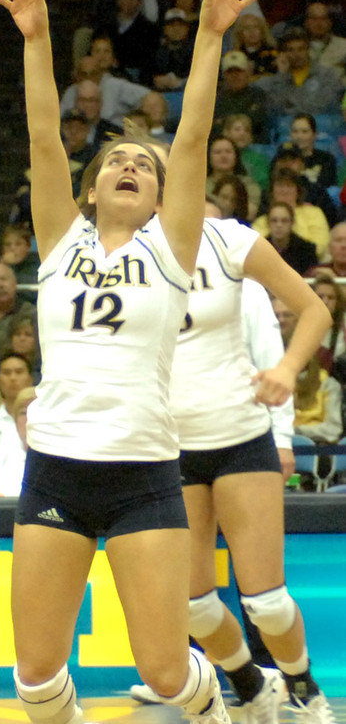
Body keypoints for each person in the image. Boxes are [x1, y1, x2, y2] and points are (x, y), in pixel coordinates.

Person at [0, 0, 259, 724]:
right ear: (92, 187)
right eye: (118, 160)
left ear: (161, 193)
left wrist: (210, 35)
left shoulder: (171, 249)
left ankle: (225, 708)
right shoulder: (58, 241)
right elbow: (44, 137)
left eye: (145, 163)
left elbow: (194, 133)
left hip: (142, 471)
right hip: (57, 470)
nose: (133, 166)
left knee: (166, 670)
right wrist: (36, 40)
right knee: (35, 678)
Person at [129, 197, 335, 722]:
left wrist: (286, 372)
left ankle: (303, 685)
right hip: (169, 448)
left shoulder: (228, 240)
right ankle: (251, 684)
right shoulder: (125, 253)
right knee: (193, 607)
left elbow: (312, 311)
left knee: (266, 602)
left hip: (240, 436)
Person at [0, 352, 35, 497]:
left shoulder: (45, 423)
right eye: (6, 373)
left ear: (30, 378)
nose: (13, 378)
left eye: (19, 372)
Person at [266, 200, 318, 274]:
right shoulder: (258, 249)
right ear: (268, 223)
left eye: (284, 221)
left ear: (292, 223)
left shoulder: (306, 251)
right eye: (274, 221)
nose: (279, 225)